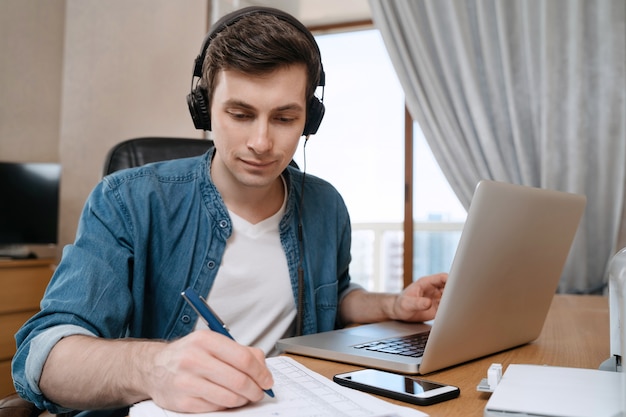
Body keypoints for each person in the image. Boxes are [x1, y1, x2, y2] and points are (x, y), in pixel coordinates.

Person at [12, 6, 447, 417]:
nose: (261, 142)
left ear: (309, 120)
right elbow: (44, 355)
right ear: (203, 108)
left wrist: (394, 303)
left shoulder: (325, 204)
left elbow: (335, 296)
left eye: (284, 119)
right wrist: (153, 367)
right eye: (240, 114)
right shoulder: (128, 200)